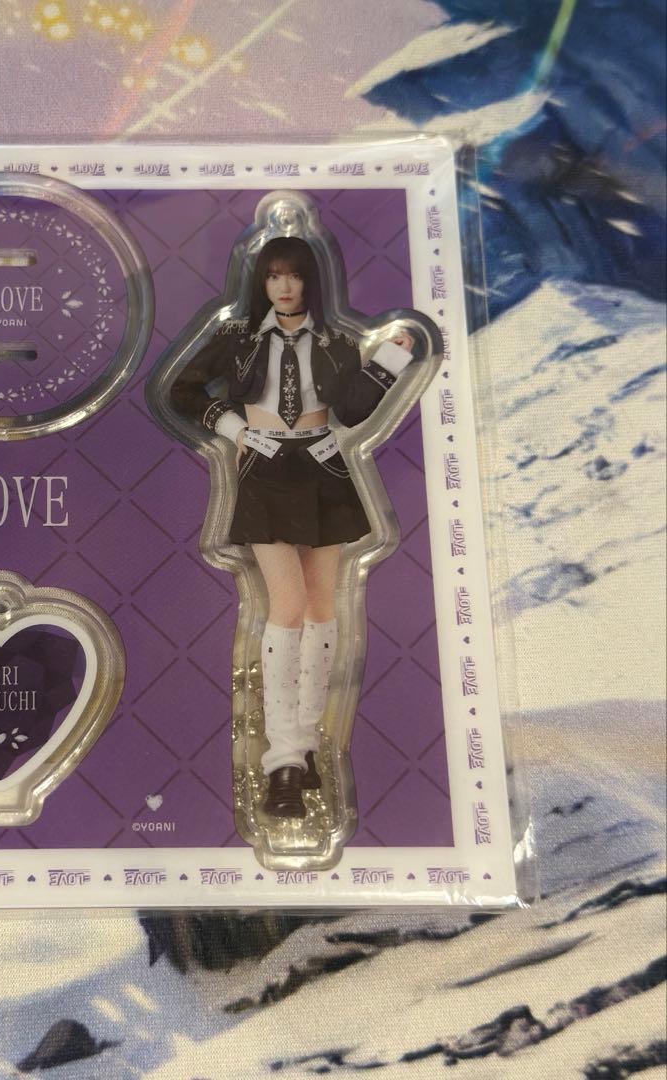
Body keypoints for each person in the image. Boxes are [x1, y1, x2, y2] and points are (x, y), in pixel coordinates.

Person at [171, 236, 415, 818]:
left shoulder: (336, 342)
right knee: (286, 604)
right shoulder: (238, 339)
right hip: (265, 466)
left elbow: (352, 410)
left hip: (323, 466)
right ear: (261, 282)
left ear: (311, 282)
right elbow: (182, 390)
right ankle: (282, 759)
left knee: (322, 606)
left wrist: (390, 360)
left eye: (295, 275)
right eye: (274, 275)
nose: (284, 286)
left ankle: (304, 750)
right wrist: (236, 431)